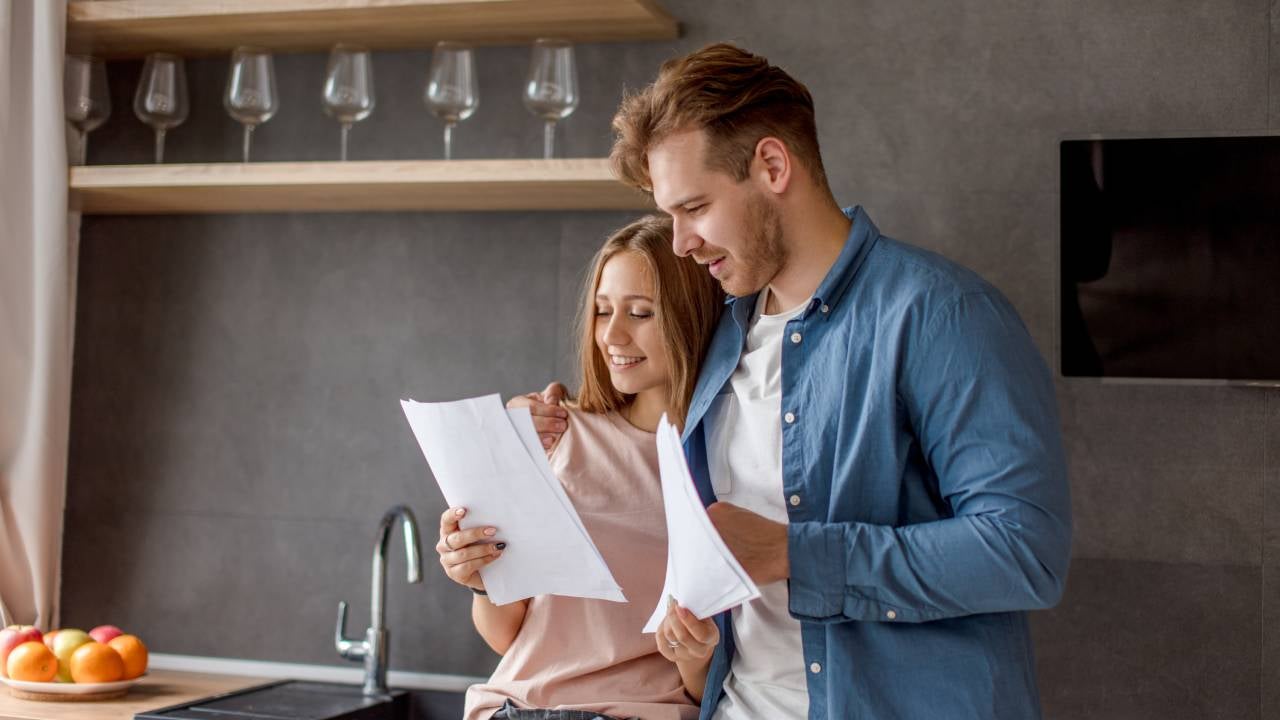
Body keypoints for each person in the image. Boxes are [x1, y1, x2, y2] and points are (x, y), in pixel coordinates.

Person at [526, 43, 1073, 719]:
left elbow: (1024, 552)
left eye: (694, 207)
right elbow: (641, 433)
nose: (681, 243)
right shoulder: (720, 336)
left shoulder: (938, 313)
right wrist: (549, 436)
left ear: (773, 166)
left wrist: (795, 553)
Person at [435, 215, 725, 720]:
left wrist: (697, 656)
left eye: (640, 313)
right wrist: (482, 577)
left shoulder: (726, 465)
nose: (611, 334)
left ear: (692, 317)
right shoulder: (557, 431)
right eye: (601, 310)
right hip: (512, 707)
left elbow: (702, 686)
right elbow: (510, 637)